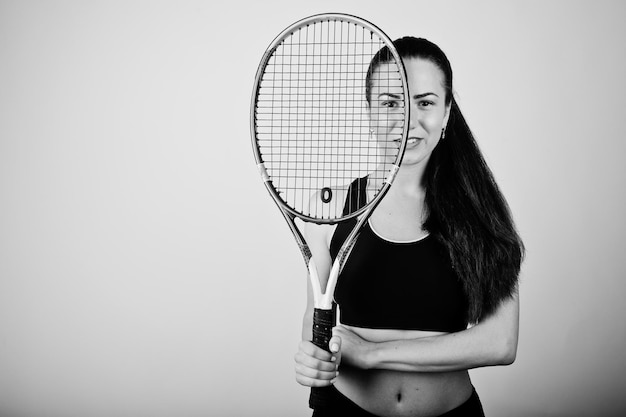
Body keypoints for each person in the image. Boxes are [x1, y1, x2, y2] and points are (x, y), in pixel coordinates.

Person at [294, 37, 524, 417]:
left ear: (447, 112)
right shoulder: (331, 209)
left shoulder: (481, 214)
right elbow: (314, 320)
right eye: (390, 102)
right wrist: (312, 357)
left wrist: (372, 355)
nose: (408, 120)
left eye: (426, 102)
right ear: (369, 111)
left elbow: (500, 343)